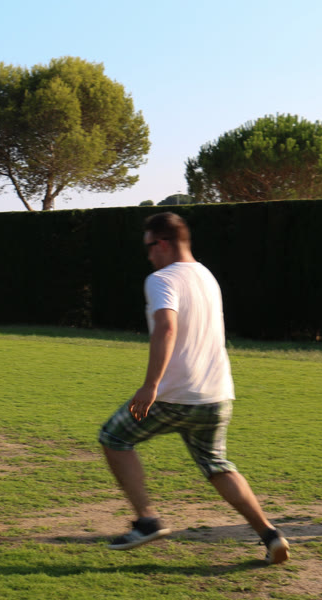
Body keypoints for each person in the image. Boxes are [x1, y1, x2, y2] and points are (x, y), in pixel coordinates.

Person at [98, 212, 289, 565]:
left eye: (149, 246)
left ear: (163, 243)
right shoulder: (206, 276)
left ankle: (147, 521)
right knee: (217, 465)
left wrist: (150, 385)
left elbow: (166, 327)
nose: (148, 255)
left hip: (176, 395)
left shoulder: (161, 279)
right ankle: (270, 535)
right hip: (216, 395)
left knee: (113, 437)